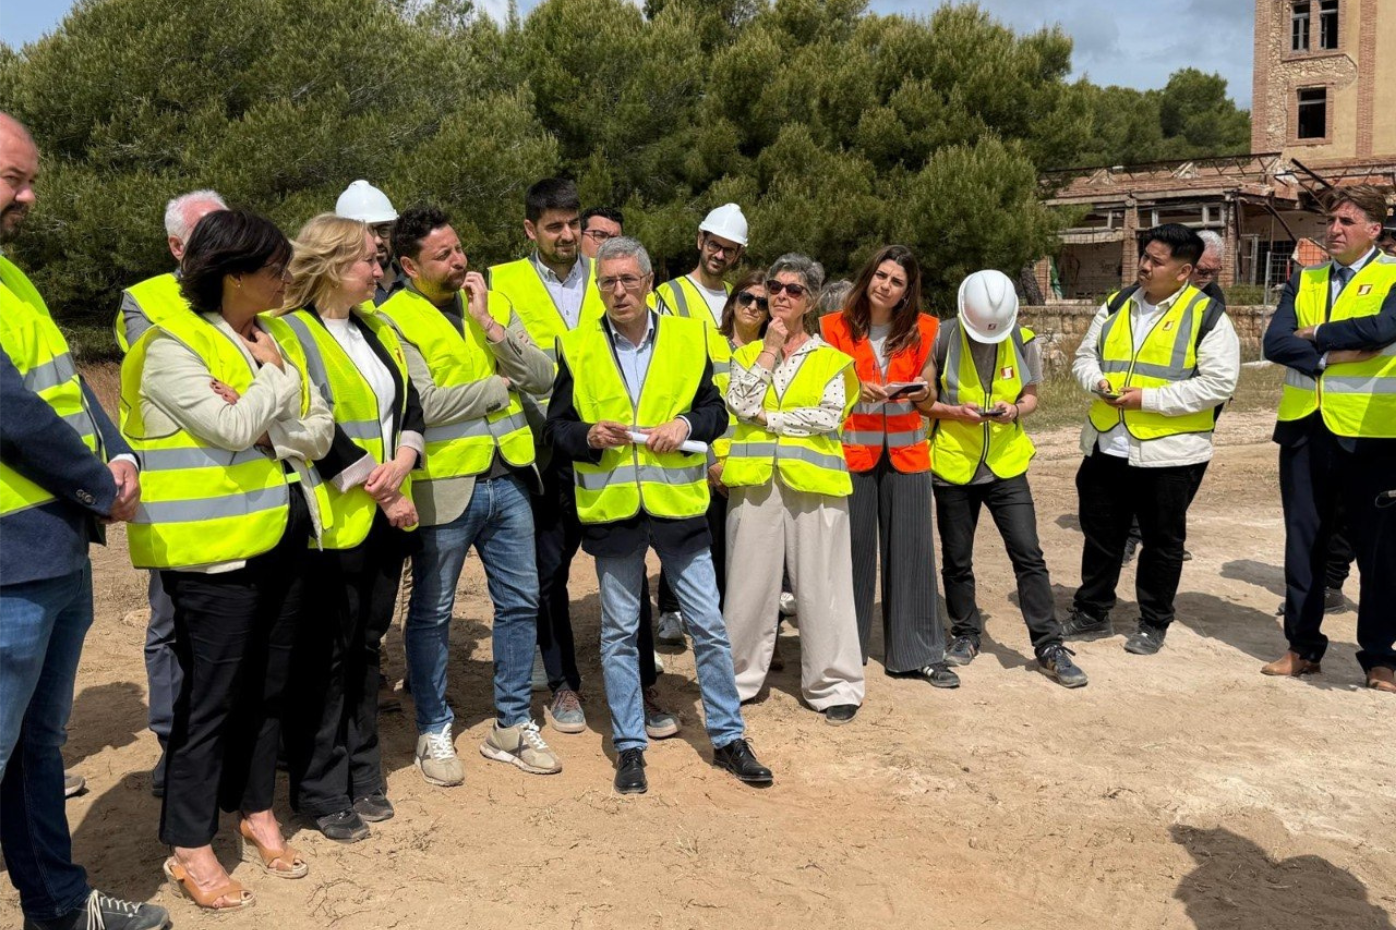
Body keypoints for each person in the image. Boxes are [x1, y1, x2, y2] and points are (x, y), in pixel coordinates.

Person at [121, 208, 335, 910]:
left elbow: (318, 426)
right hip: (211, 557)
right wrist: (269, 391)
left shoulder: (266, 336)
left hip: (278, 538)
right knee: (209, 702)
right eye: (276, 268)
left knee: (268, 688)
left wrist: (263, 414)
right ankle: (188, 843)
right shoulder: (168, 346)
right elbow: (233, 426)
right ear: (234, 273)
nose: (287, 279)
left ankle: (255, 808)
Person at [0, 110, 170, 930]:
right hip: (7, 564)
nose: (27, 196)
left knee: (36, 750)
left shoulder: (12, 277)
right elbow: (7, 411)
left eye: (29, 179)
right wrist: (96, 486)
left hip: (50, 553)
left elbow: (62, 388)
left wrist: (121, 452)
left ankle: (59, 909)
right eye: (12, 178)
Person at [546, 236, 772, 793]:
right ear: (597, 288)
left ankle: (728, 737)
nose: (618, 291)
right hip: (615, 510)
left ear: (648, 282)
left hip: (678, 508)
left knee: (709, 628)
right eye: (607, 282)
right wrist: (589, 436)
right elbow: (557, 428)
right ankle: (629, 747)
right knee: (620, 633)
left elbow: (716, 411)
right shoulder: (576, 347)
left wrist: (688, 427)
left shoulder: (688, 337)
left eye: (628, 280)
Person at [377, 205, 563, 786]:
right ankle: (434, 728)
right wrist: (494, 386)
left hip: (509, 477)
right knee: (432, 613)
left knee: (520, 602)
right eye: (443, 255)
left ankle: (510, 724)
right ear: (408, 265)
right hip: (443, 487)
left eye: (459, 248)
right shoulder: (391, 320)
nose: (459, 261)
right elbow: (422, 405)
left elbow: (544, 375)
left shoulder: (494, 301)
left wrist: (493, 329)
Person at [488, 178, 672, 738]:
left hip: (612, 452)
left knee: (627, 573)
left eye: (573, 224)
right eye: (554, 226)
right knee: (548, 575)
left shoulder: (613, 278)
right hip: (542, 452)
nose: (567, 235)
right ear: (530, 230)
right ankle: (564, 681)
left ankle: (643, 685)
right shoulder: (503, 283)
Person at [276, 214, 423, 840]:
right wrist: (379, 486)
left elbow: (409, 404)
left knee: (366, 650)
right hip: (327, 527)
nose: (379, 268)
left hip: (386, 519)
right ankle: (319, 788)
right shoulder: (289, 334)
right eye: (369, 258)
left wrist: (407, 460)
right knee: (324, 658)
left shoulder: (378, 325)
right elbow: (307, 425)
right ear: (334, 264)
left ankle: (365, 773)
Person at [1060, 223, 1240, 656]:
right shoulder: (1117, 303)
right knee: (1101, 534)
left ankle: (1154, 621)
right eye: (1145, 256)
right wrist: (1098, 382)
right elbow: (1085, 356)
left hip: (1171, 452)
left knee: (1162, 541)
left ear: (1183, 272)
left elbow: (1218, 384)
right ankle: (1092, 611)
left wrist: (1149, 399)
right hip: (1107, 442)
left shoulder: (1208, 316)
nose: (1144, 266)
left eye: (1156, 261)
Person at [112, 187, 227, 801]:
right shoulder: (145, 300)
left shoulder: (253, 293)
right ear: (176, 248)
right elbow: (179, 386)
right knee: (170, 622)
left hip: (245, 492)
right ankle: (171, 740)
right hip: (176, 497)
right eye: (208, 236)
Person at [1260, 185, 1396, 693]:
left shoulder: (1393, 275)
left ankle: (1381, 657)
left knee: (1379, 549)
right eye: (1330, 222)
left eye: (1345, 222)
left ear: (1374, 229)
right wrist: (1328, 356)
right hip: (1304, 430)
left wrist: (1315, 334)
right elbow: (1274, 341)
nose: (1332, 231)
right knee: (1305, 543)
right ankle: (1302, 648)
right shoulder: (1307, 277)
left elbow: (1385, 327)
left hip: (1373, 432)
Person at [924, 270, 1088, 688]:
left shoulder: (1022, 338)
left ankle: (1048, 645)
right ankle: (966, 633)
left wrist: (1015, 410)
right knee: (957, 560)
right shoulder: (941, 337)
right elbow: (924, 402)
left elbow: (1030, 395)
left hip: (1006, 464)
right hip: (953, 465)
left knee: (1028, 554)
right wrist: (952, 412)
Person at [724, 253, 865, 725]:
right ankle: (737, 678)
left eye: (793, 290)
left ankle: (834, 683)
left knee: (823, 586)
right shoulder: (744, 355)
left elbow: (828, 415)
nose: (780, 296)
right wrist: (768, 349)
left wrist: (771, 419)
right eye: (774, 287)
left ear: (812, 300)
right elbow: (740, 403)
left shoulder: (832, 360)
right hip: (756, 486)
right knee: (746, 588)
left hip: (815, 486)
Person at [819, 245, 957, 688]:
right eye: (881, 276)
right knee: (850, 556)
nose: (886, 286)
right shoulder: (832, 328)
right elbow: (819, 390)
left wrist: (919, 394)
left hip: (907, 458)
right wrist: (855, 390)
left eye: (897, 282)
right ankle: (843, 653)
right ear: (868, 276)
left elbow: (931, 396)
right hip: (853, 456)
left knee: (913, 554)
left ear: (906, 291)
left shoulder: (924, 329)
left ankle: (918, 651)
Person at [651, 203, 748, 645]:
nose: (720, 255)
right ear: (699, 240)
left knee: (718, 530)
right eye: (714, 245)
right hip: (687, 426)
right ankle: (670, 609)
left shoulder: (740, 298)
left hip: (731, 431)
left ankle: (714, 610)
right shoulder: (668, 296)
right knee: (683, 520)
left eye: (729, 250)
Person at [1122, 228, 1229, 564]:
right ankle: (1131, 534)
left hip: (1193, 410)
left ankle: (1163, 531)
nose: (1206, 278)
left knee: (1180, 484)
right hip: (1141, 409)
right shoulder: (1136, 298)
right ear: (1186, 266)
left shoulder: (1212, 299)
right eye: (1202, 271)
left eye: (1213, 273)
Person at [336, 180, 406, 306]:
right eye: (367, 233)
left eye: (384, 230)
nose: (377, 241)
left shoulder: (417, 285)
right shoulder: (340, 296)